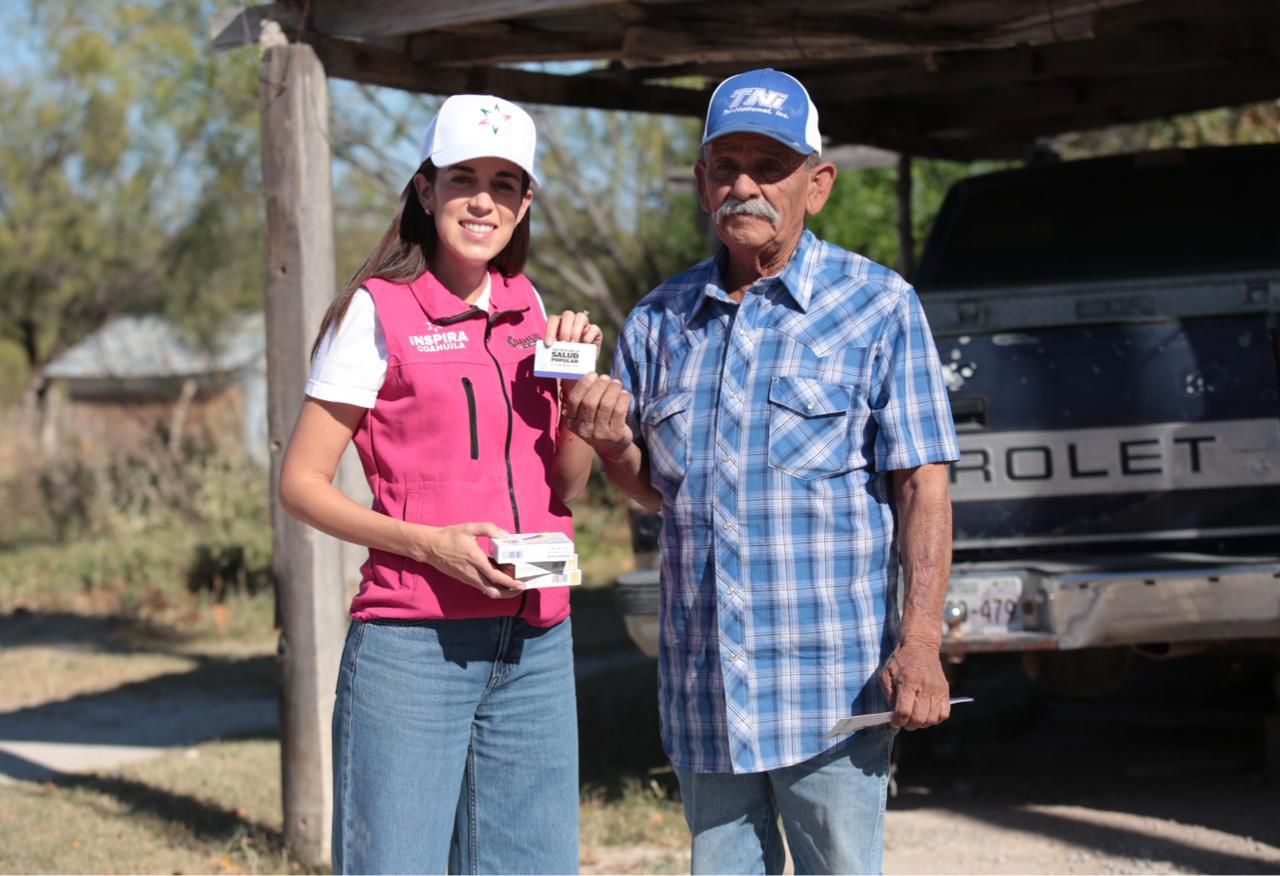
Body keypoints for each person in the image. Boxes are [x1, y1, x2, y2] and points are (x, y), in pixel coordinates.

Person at [564, 68, 960, 875]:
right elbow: (652, 492)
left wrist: (921, 643)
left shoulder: (879, 307)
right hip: (704, 692)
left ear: (816, 185)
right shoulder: (658, 320)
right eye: (727, 165)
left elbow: (924, 486)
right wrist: (610, 444)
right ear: (704, 182)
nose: (745, 184)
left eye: (769, 166)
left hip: (833, 693)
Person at [278, 94, 601, 875]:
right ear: (426, 191)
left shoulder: (531, 312)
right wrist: (430, 546)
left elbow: (566, 484)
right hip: (413, 643)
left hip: (535, 638)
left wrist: (582, 399)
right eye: (463, 178)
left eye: (504, 182)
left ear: (525, 204)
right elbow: (300, 483)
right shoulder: (374, 314)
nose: (482, 200)